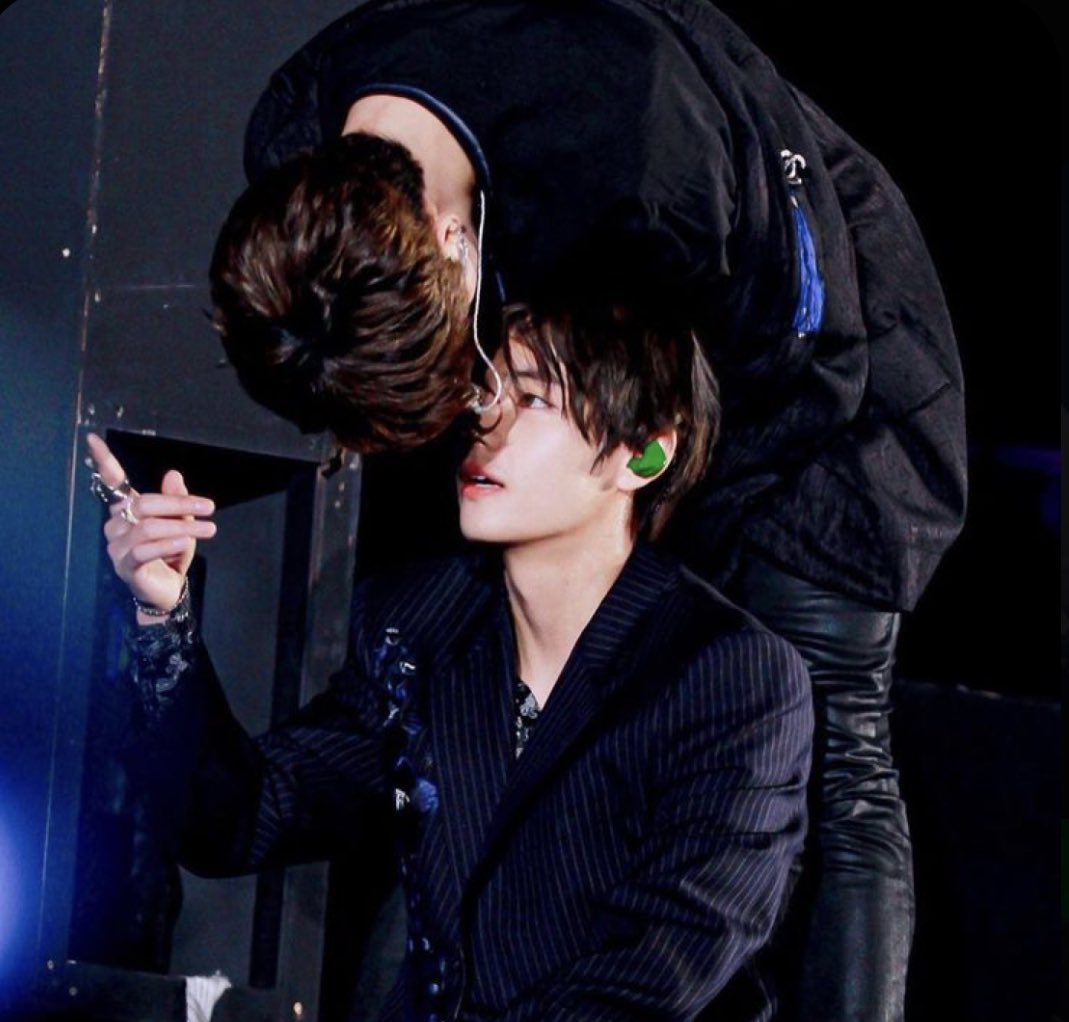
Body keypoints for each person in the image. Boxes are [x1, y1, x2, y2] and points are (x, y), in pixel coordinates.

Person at [202, 3, 966, 1019]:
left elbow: (800, 349)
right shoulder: (300, 148)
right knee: (480, 729)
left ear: (455, 242)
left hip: (820, 369)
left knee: (828, 732)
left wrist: (650, 546)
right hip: (604, 406)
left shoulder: (639, 145)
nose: (469, 414)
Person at [87, 302, 812, 1021]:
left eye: (532, 398)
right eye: (485, 390)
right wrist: (162, 612)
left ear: (643, 453)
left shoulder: (729, 676)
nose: (486, 420)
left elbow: (657, 972)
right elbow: (238, 817)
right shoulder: (419, 623)